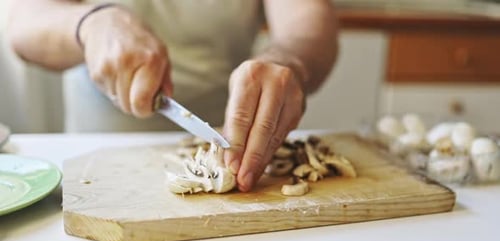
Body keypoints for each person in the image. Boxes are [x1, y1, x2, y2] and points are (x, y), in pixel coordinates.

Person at [7, 0, 338, 191]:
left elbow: (309, 25)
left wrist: (288, 62)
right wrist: (90, 24)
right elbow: (24, 25)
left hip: (236, 140)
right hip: (95, 161)